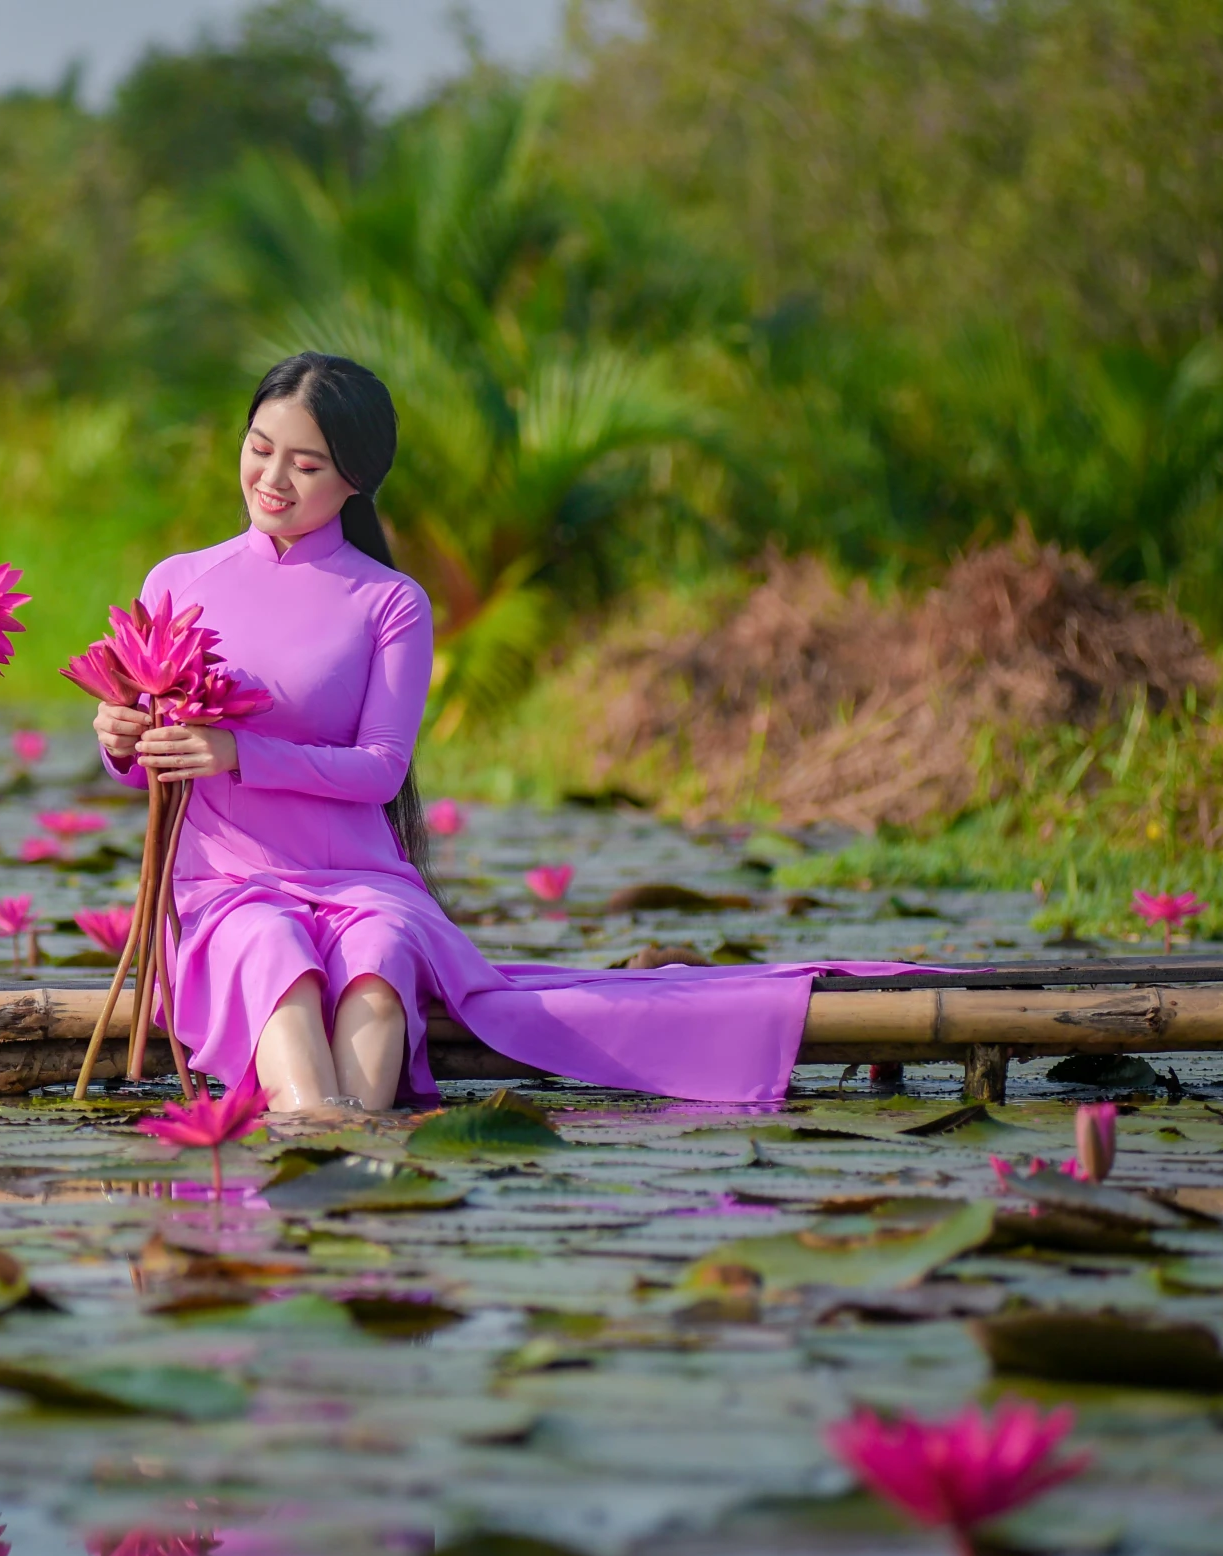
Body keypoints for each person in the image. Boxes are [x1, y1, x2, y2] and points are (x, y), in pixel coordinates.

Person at [93, 352, 914, 1113]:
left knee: (376, 963)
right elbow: (148, 771)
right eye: (259, 448)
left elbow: (380, 771)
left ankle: (343, 1175)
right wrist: (122, 739)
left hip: (360, 883)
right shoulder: (178, 581)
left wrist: (241, 753)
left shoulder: (388, 603)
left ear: (355, 480)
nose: (272, 479)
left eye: (304, 465)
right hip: (227, 887)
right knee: (275, 954)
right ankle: (327, 1165)